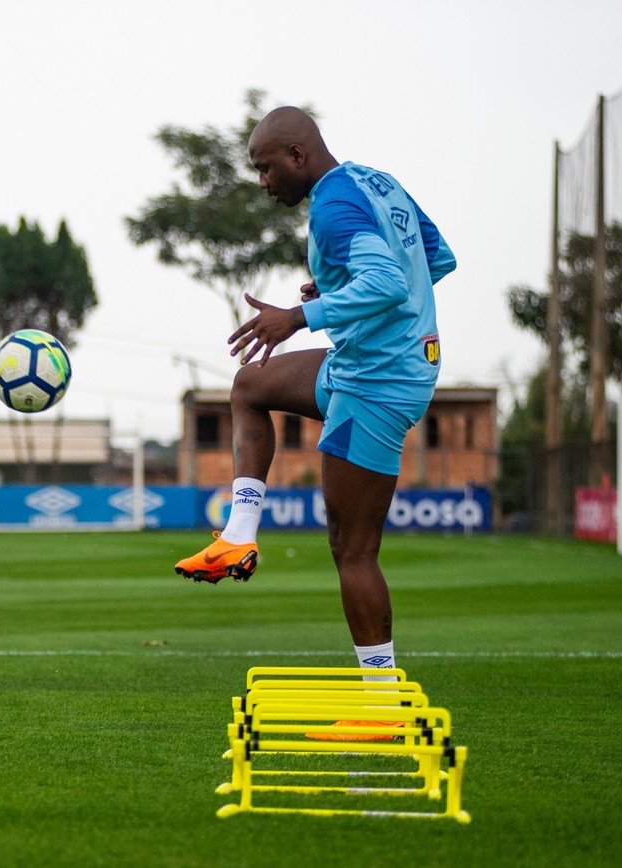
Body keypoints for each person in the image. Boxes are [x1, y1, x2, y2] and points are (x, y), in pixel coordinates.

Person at [175, 106, 456, 682]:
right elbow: (435, 259)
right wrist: (339, 287)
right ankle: (239, 534)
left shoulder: (330, 207)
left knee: (352, 550)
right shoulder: (376, 182)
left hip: (377, 381)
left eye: (266, 168)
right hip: (380, 361)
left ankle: (382, 698)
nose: (262, 182)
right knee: (250, 386)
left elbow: (389, 282)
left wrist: (301, 315)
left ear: (297, 156)